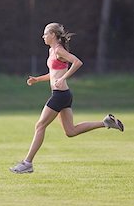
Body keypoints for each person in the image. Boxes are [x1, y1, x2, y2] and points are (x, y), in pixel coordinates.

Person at [10, 23, 124, 174]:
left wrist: (64, 78)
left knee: (40, 126)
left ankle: (27, 163)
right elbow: (54, 73)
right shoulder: (52, 51)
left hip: (59, 95)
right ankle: (105, 123)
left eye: (45, 34)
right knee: (70, 131)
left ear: (53, 35)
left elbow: (77, 62)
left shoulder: (58, 50)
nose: (43, 36)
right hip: (63, 95)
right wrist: (37, 79)